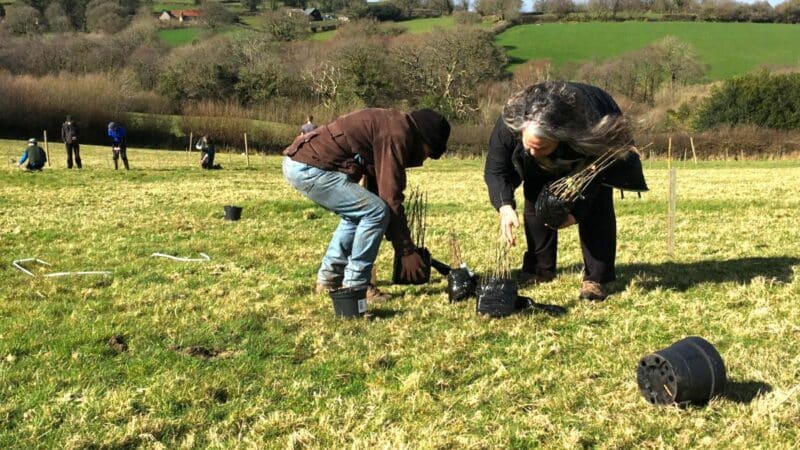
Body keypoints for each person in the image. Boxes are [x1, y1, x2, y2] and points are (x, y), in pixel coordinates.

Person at [484, 81, 648, 301]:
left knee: (598, 207)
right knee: (535, 196)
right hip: (557, 137)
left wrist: (575, 213)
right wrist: (504, 206)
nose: (532, 152)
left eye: (540, 147)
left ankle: (596, 279)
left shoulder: (589, 128)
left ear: (560, 137)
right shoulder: (509, 126)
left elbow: (595, 180)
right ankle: (539, 269)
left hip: (592, 138)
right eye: (528, 145)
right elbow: (496, 169)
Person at [283, 108, 450, 301]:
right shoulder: (396, 134)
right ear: (424, 140)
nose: (425, 159)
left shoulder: (393, 125)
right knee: (375, 212)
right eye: (429, 153)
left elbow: (378, 189)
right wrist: (406, 251)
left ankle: (330, 279)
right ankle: (357, 286)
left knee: (362, 212)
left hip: (302, 163)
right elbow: (390, 197)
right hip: (311, 168)